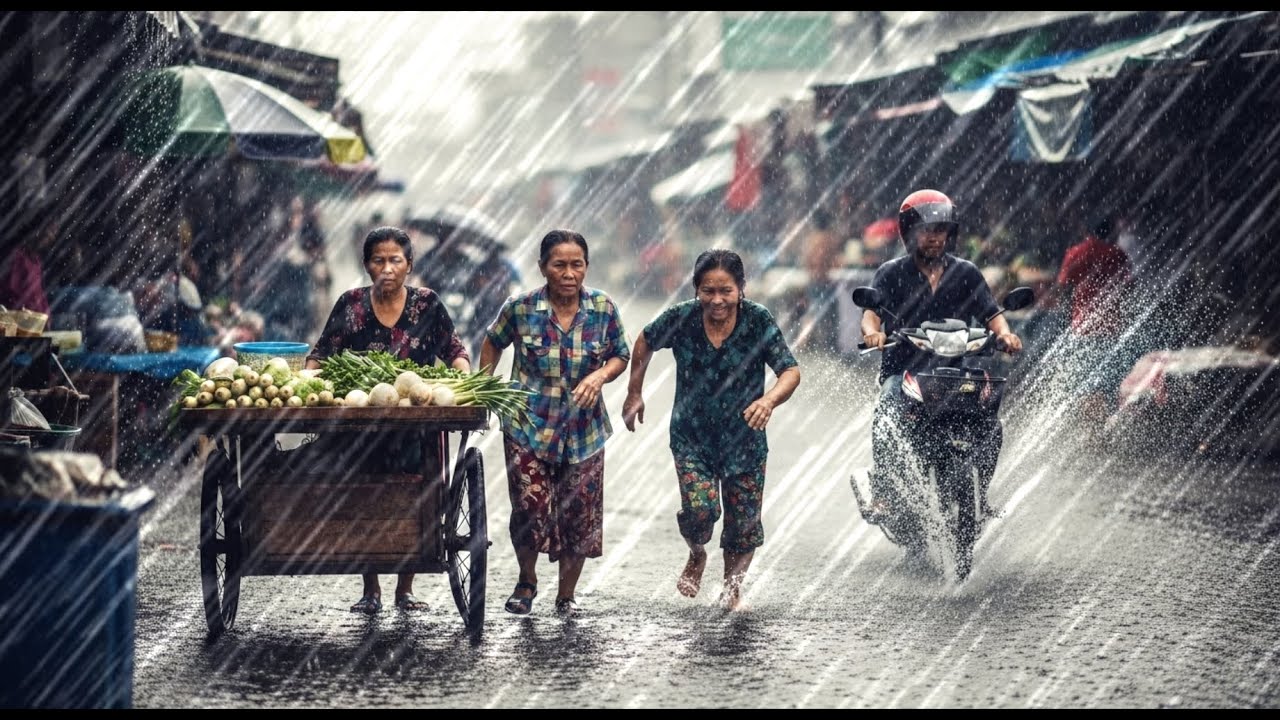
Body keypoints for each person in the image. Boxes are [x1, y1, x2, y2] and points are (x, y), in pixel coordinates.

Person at [304, 225, 472, 615]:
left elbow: (454, 349)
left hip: (416, 426)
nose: (387, 267)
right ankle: (371, 589)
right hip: (360, 427)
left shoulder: (427, 305)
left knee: (415, 494)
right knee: (366, 494)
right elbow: (322, 351)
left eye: (395, 259)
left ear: (409, 265)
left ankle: (405, 588)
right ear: (367, 265)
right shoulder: (351, 305)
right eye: (378, 259)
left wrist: (462, 375)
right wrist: (307, 380)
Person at [622, 248, 801, 611]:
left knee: (743, 524)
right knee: (700, 511)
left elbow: (790, 371)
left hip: (745, 441)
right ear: (696, 290)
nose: (717, 300)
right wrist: (634, 392)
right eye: (708, 291)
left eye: (726, 291)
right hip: (692, 438)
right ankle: (697, 552)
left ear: (741, 289)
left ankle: (732, 587)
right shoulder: (683, 318)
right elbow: (644, 340)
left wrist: (768, 401)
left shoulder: (758, 320)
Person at [478, 229, 630, 618]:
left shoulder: (602, 308)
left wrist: (599, 378)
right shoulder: (521, 308)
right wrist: (483, 387)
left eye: (576, 264)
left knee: (580, 512)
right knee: (530, 508)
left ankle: (566, 596)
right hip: (528, 425)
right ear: (543, 267)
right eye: (559, 265)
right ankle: (526, 581)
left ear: (586, 267)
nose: (568, 273)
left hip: (584, 430)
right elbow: (493, 341)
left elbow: (619, 355)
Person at [859, 189, 1022, 523]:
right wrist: (873, 333)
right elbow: (870, 313)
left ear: (951, 233)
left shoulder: (966, 273)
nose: (934, 238)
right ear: (908, 233)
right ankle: (884, 494)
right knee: (887, 414)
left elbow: (992, 313)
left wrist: (1005, 334)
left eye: (940, 230)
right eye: (926, 230)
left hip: (954, 373)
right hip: (903, 372)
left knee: (991, 427)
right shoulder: (891, 272)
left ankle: (979, 496)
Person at [1053, 214, 1134, 425]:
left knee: (1085, 382)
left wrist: (1069, 316)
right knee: (1109, 383)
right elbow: (1129, 288)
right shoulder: (1117, 255)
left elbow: (1063, 287)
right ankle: (1108, 425)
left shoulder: (1076, 253)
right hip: (1110, 329)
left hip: (1083, 329)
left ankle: (1090, 429)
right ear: (1111, 232)